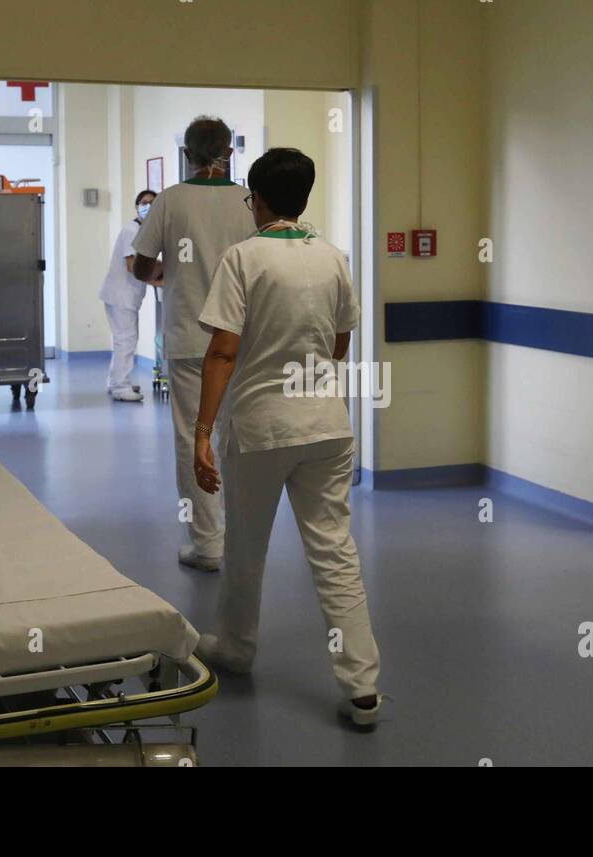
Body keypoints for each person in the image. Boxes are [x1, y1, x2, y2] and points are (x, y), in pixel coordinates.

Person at [191, 148, 383, 727]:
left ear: (261, 199)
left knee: (245, 546)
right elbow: (340, 344)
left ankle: (235, 648)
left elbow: (223, 349)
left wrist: (201, 433)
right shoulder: (333, 258)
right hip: (327, 426)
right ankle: (363, 687)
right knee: (334, 550)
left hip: (261, 428)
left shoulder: (243, 259)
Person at [131, 117, 256, 572]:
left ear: (186, 151)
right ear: (228, 151)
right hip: (241, 336)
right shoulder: (248, 200)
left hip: (190, 337)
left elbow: (141, 267)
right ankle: (244, 539)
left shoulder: (170, 200)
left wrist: (170, 273)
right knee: (237, 437)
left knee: (193, 438)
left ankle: (208, 544)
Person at [99, 190, 160, 402]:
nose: (147, 206)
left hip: (121, 295)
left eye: (152, 203)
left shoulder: (143, 230)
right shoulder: (132, 230)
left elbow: (147, 262)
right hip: (121, 296)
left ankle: (114, 380)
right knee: (126, 340)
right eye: (143, 203)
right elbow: (132, 266)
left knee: (122, 340)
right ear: (136, 206)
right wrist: (160, 281)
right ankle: (120, 386)